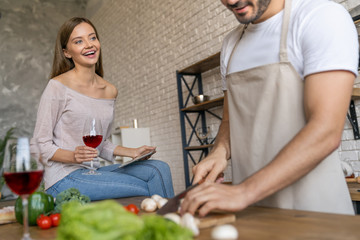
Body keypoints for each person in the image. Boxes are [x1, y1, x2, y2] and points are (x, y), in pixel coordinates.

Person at [181, 0, 359, 216]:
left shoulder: (321, 17)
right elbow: (230, 121)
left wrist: (244, 191)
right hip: (252, 210)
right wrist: (219, 151)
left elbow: (326, 131)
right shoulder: (231, 44)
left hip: (315, 211)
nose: (231, 1)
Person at [32, 17, 174, 200]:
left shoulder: (109, 90)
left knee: (159, 169)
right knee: (143, 186)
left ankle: (169, 222)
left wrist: (132, 152)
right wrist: (74, 156)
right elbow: (39, 145)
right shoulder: (57, 87)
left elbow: (101, 144)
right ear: (67, 52)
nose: (89, 45)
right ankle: (167, 223)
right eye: (78, 41)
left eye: (92, 38)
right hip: (63, 177)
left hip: (93, 172)